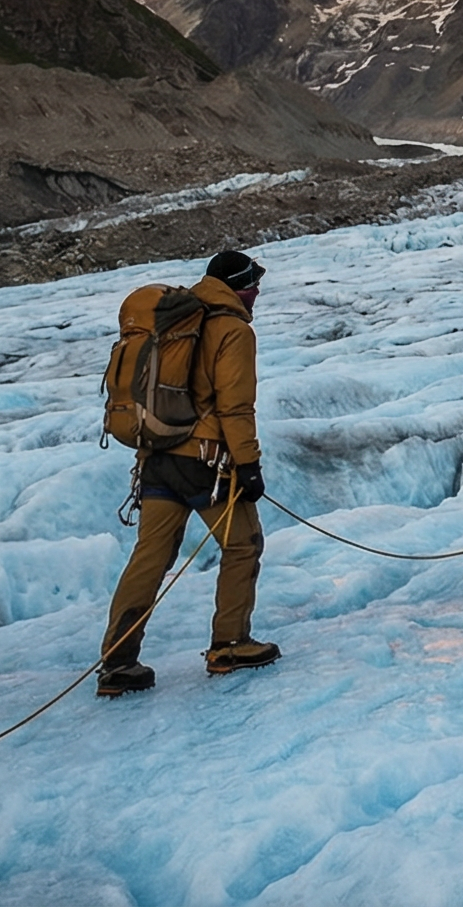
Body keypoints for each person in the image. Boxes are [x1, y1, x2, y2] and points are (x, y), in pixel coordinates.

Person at [99, 248, 280, 696]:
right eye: (254, 283)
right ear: (240, 286)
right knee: (243, 545)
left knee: (150, 558)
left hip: (157, 458)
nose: (257, 291)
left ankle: (117, 662)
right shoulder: (232, 330)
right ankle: (230, 644)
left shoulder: (183, 320)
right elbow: (235, 405)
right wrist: (249, 463)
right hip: (205, 463)